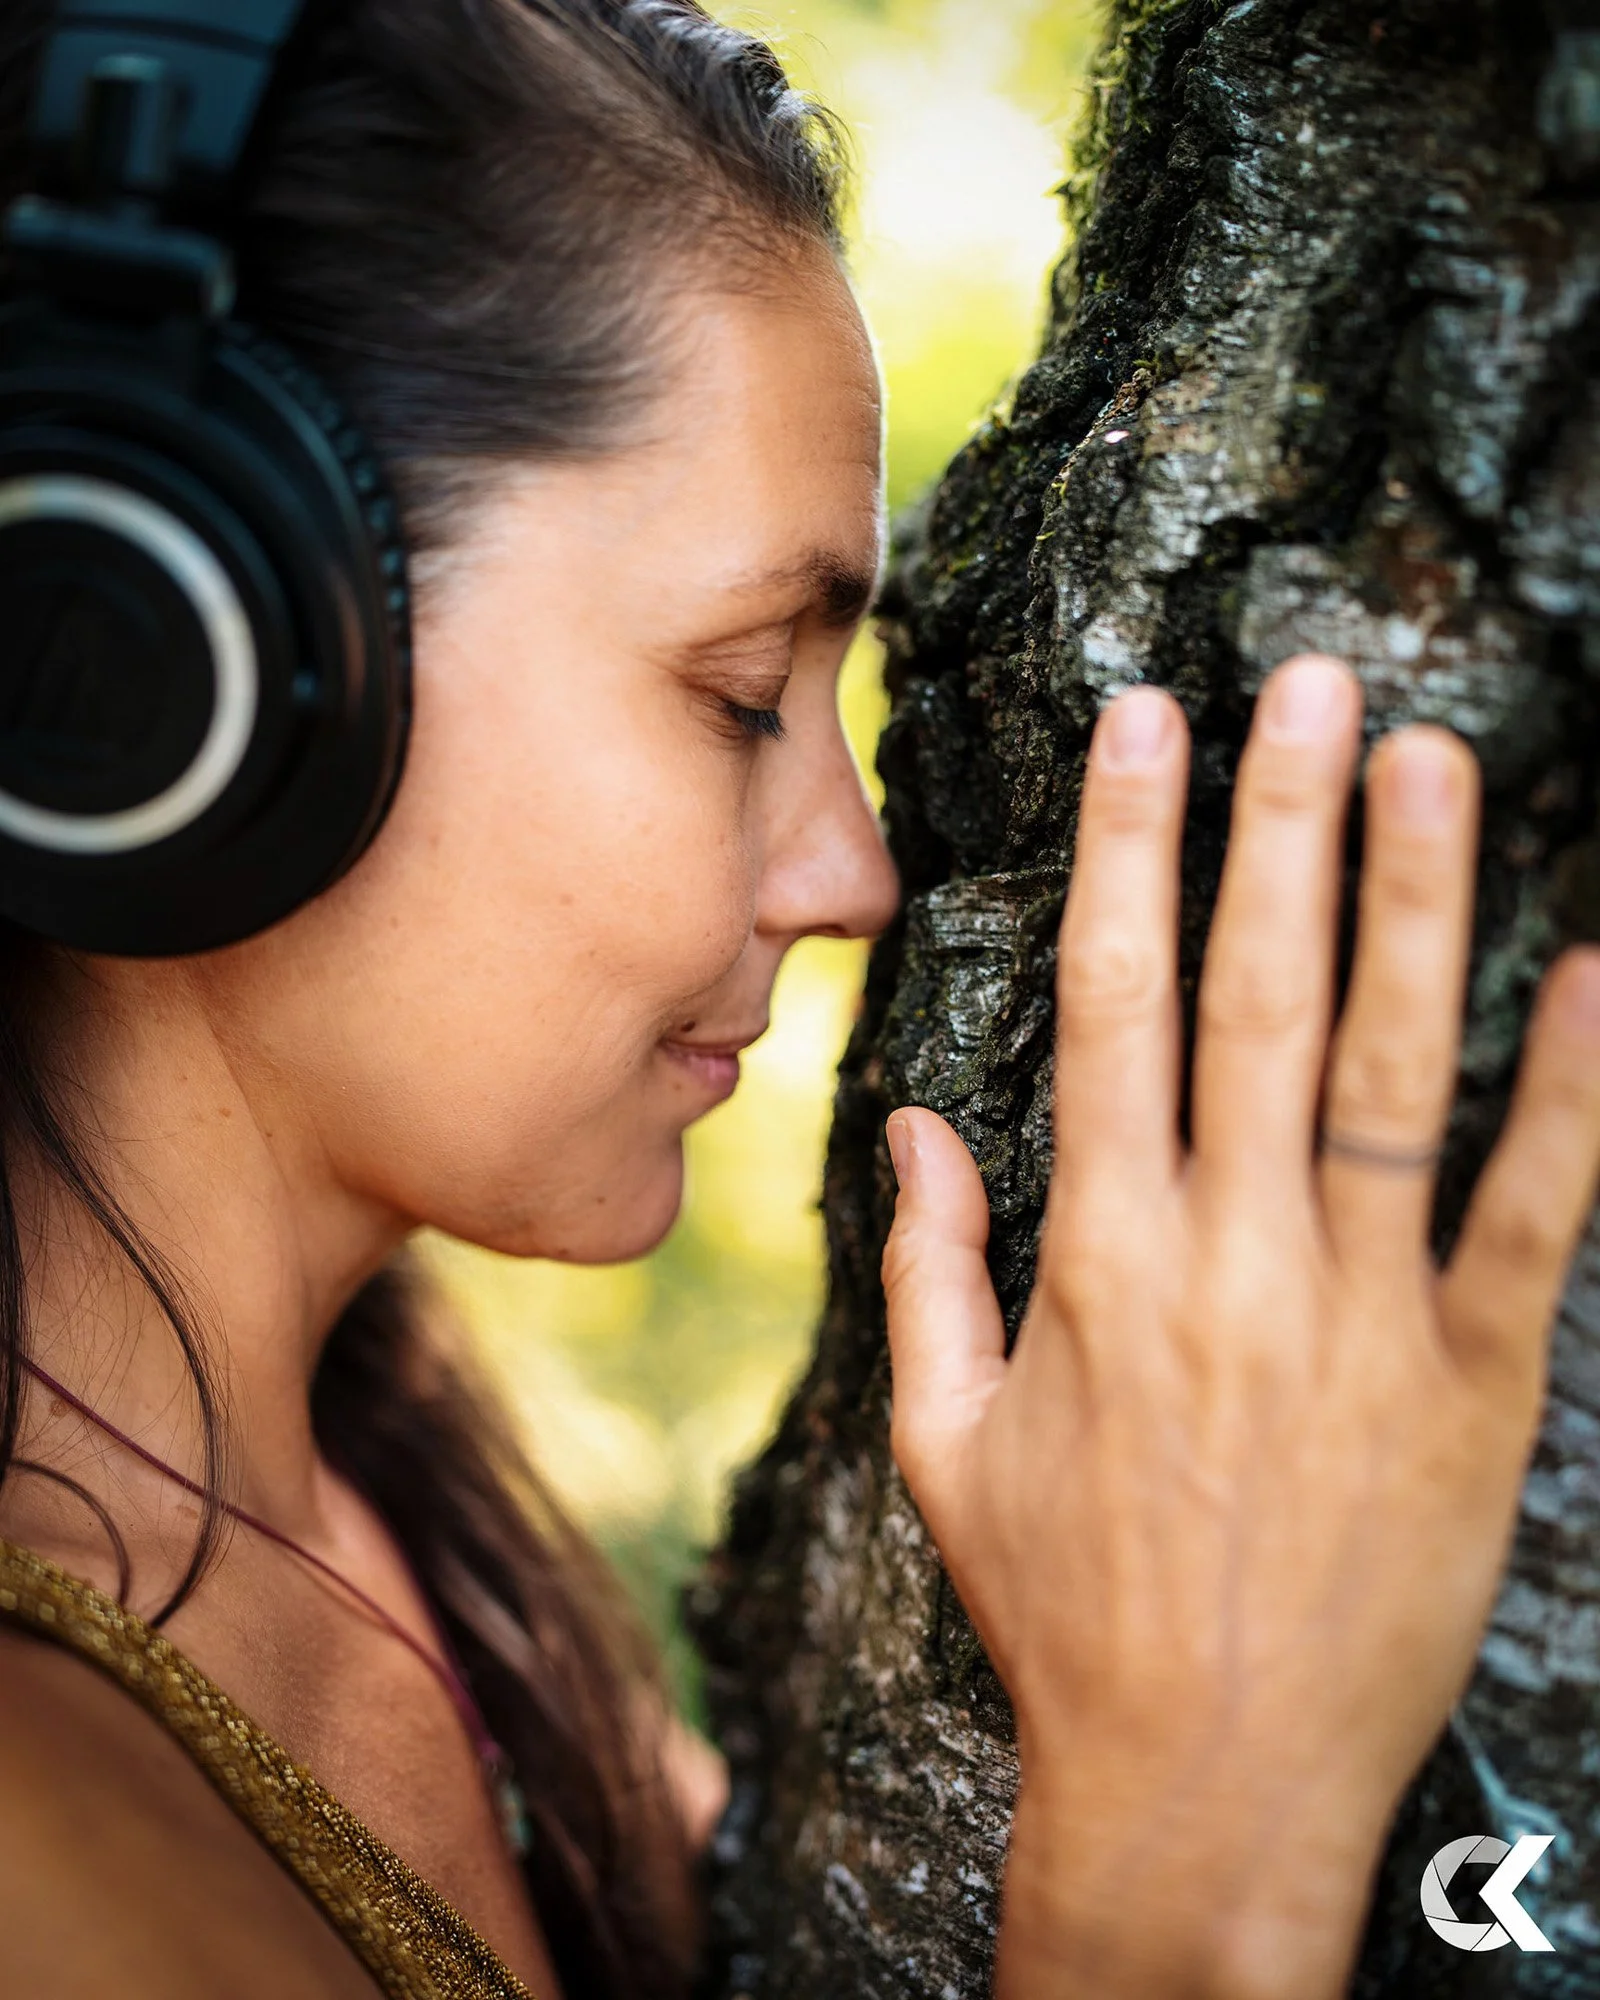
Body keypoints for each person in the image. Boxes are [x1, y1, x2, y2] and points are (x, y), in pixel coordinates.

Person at [0, 3, 1595, 1998]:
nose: (851, 874)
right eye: (742, 690)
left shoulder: (389, 1498)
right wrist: (1178, 1875)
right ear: (147, 645)